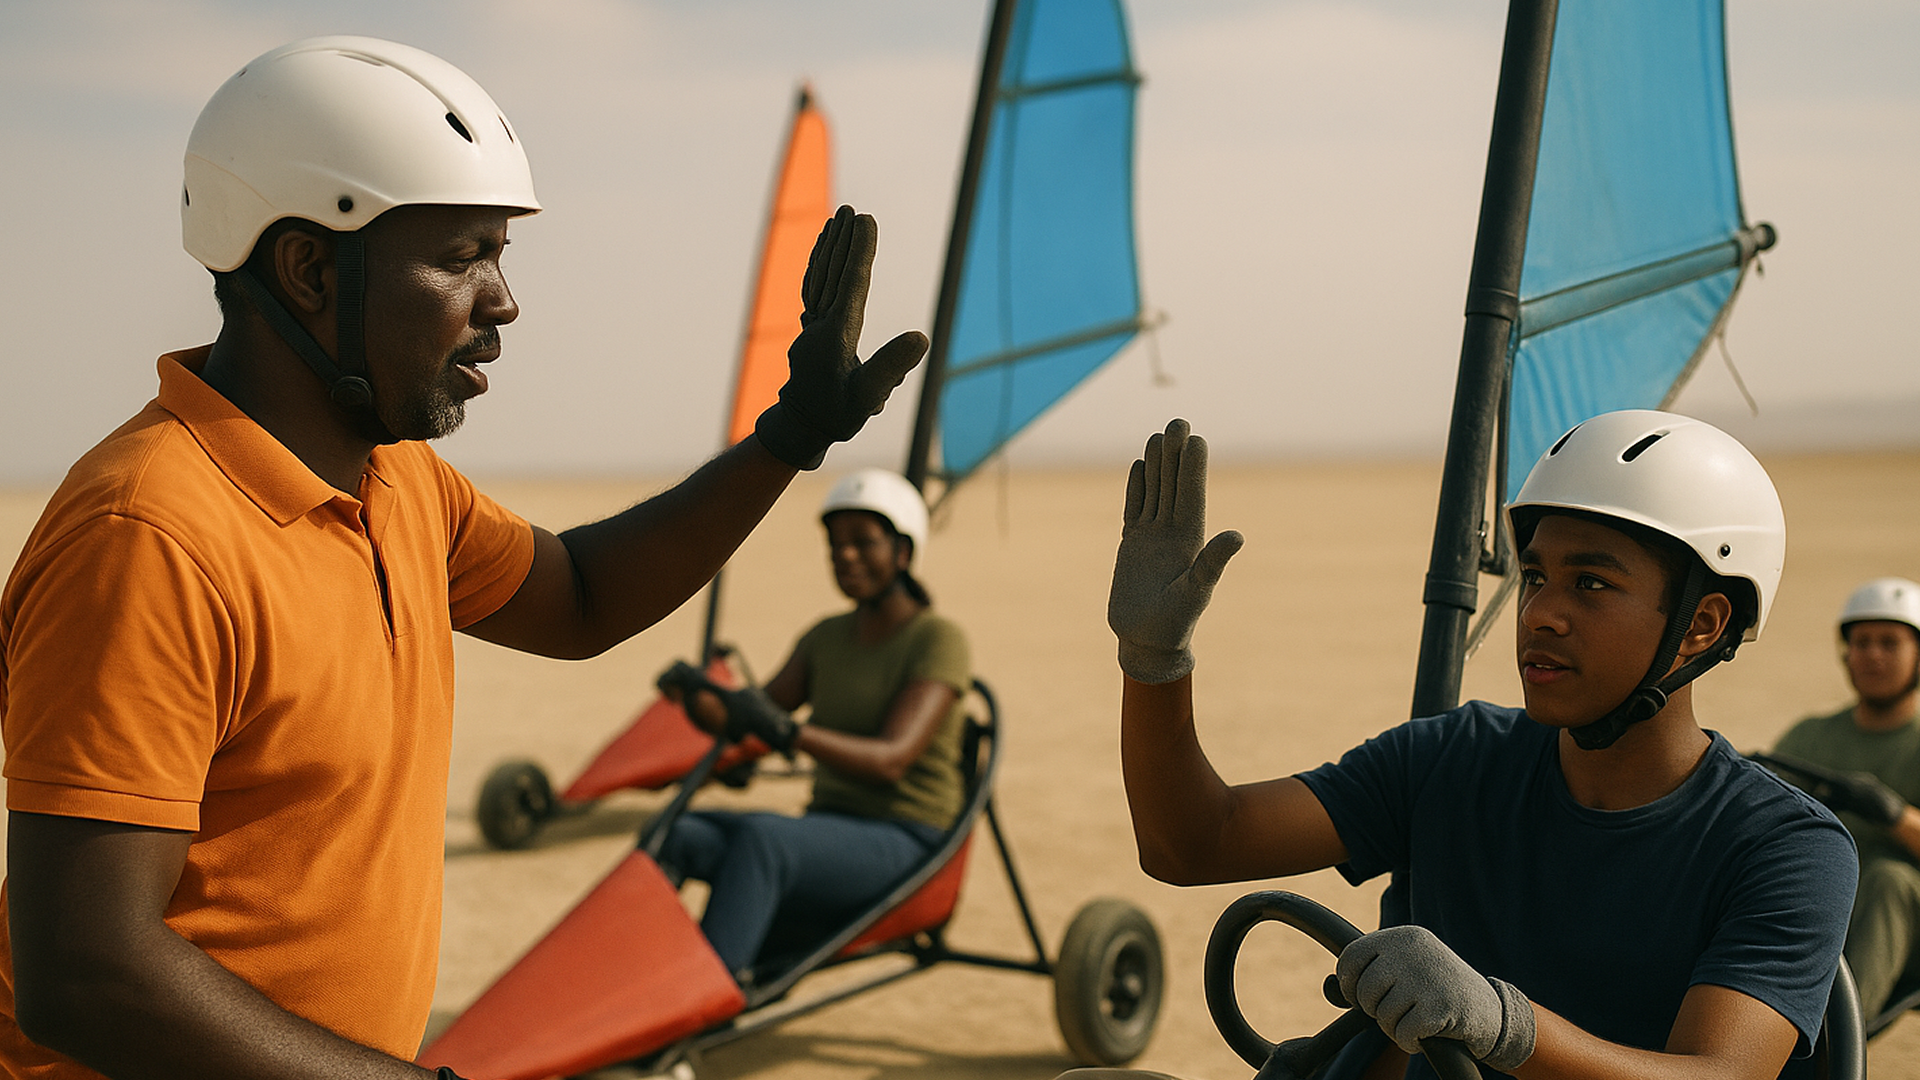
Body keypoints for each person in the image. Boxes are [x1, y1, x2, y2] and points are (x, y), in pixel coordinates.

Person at [0, 36, 927, 1080]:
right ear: (309, 269)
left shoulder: (396, 483)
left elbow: (577, 599)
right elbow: (85, 968)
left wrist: (789, 439)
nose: (502, 301)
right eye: (460, 257)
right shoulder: (149, 538)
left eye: (501, 254)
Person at [1107, 412, 1856, 1080]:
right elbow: (1192, 844)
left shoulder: (1787, 848)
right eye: (1535, 576)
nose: (1543, 614)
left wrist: (1504, 1025)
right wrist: (1155, 662)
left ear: (1701, 625)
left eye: (1590, 584)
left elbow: (1721, 1075)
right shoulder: (1452, 759)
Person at [656, 468, 971, 984]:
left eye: (863, 542)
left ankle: (702, 1001)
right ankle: (639, 984)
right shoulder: (825, 638)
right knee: (676, 833)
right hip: (830, 830)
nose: (845, 556)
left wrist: (787, 733)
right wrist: (696, 695)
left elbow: (891, 760)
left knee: (764, 841)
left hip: (907, 839)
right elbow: (748, 717)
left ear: (903, 552)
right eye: (836, 545)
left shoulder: (937, 639)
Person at [1769, 577, 1920, 1020]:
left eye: (1889, 643)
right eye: (1861, 642)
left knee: (1888, 879)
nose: (1872, 655)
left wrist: (1894, 817)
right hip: (1824, 912)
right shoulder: (1810, 736)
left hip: (1904, 927)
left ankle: (1835, 1043)